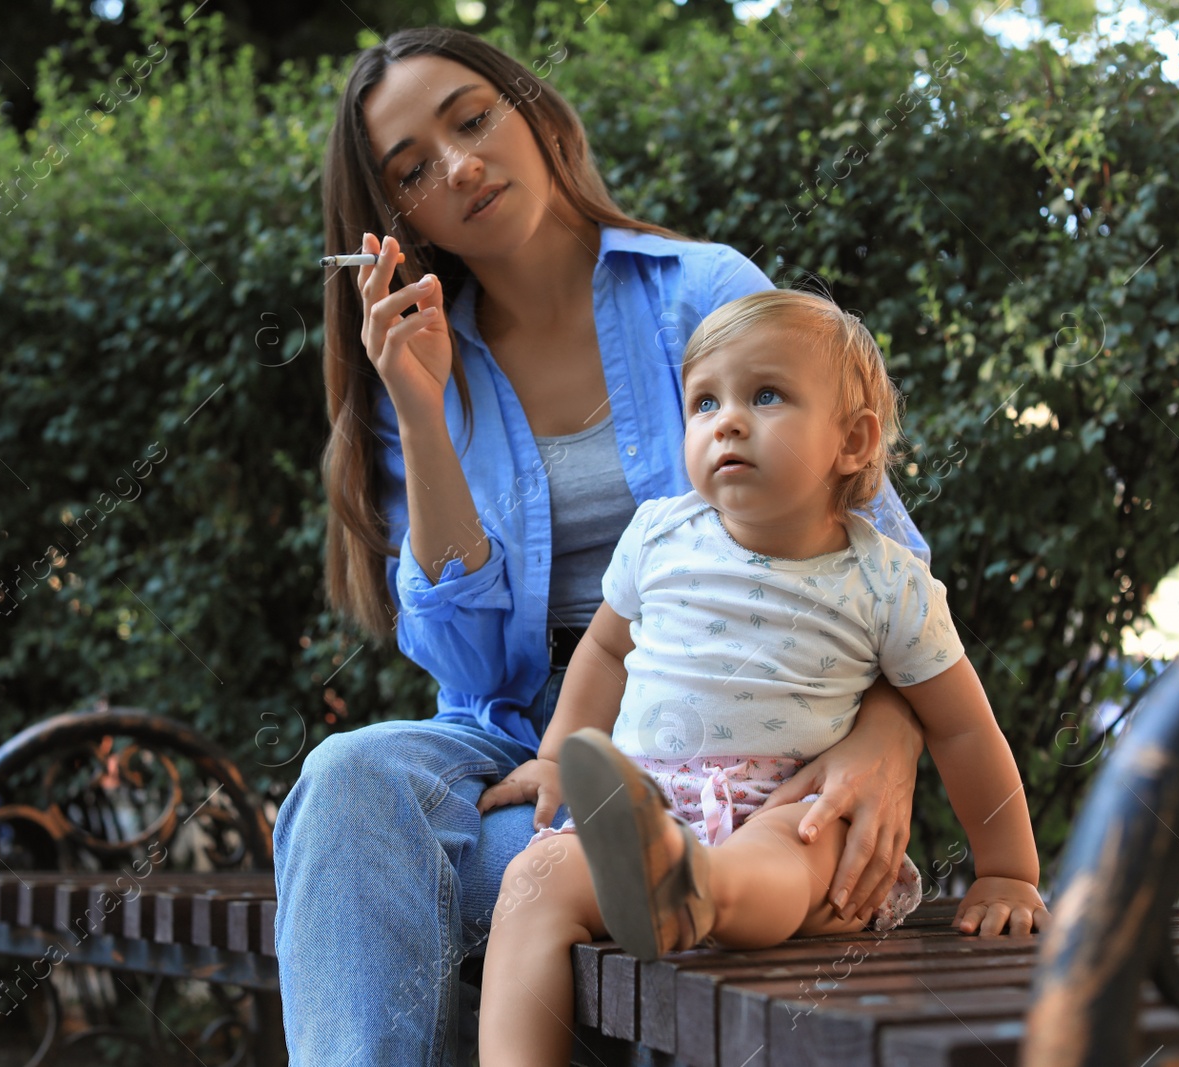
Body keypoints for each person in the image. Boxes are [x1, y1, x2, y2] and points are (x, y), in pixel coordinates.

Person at [274, 25, 934, 1066]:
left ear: (532, 111)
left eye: (471, 118)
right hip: (527, 749)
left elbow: (886, 560)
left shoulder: (702, 291)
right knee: (348, 779)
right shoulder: (419, 369)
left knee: (470, 886)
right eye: (412, 170)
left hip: (732, 756)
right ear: (394, 223)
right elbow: (472, 671)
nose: (459, 166)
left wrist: (885, 742)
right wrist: (422, 409)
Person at [476, 290, 1051, 1066]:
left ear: (853, 441)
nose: (728, 420)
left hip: (795, 806)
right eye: (704, 401)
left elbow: (962, 727)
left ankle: (696, 885)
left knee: (785, 851)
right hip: (649, 807)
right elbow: (606, 651)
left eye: (766, 395)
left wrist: (1009, 870)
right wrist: (554, 753)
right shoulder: (659, 537)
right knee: (534, 879)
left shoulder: (885, 583)